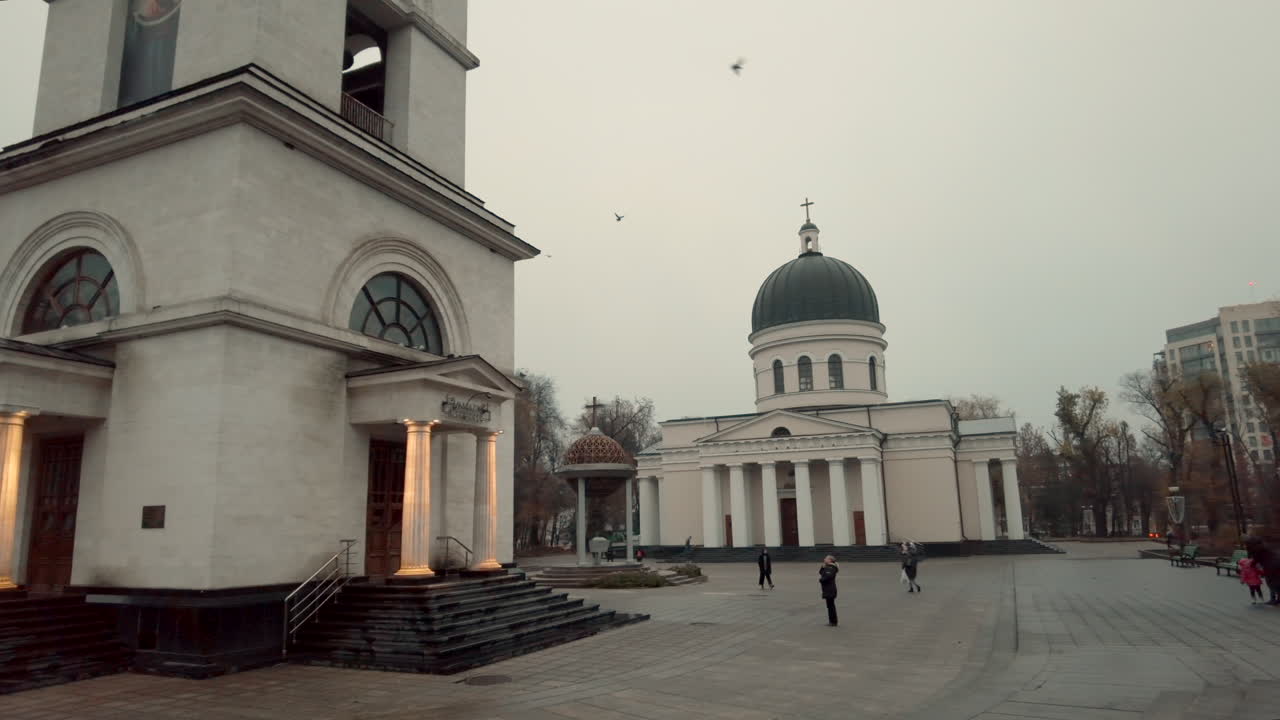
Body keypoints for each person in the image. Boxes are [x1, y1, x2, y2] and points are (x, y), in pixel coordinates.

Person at [818, 555, 839, 626]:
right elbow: (821, 572)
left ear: (830, 560)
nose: (824, 559)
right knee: (830, 606)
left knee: (831, 606)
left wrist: (821, 580)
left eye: (826, 558)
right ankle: (832, 621)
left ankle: (833, 622)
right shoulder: (828, 567)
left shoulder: (831, 567)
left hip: (830, 589)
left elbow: (828, 576)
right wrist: (822, 566)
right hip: (828, 589)